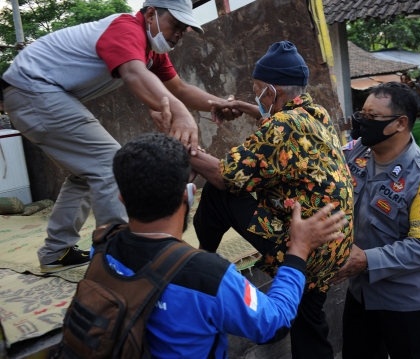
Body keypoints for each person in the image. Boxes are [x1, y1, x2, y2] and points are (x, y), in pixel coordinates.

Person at [0, 0, 240, 272]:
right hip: (32, 88)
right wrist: (182, 114)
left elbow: (180, 90)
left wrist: (217, 102)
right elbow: (133, 74)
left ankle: (57, 251)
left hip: (32, 92)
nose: (179, 33)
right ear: (151, 14)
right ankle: (121, 261)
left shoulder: (151, 52)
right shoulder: (126, 28)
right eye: (176, 24)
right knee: (108, 163)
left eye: (185, 29)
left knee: (85, 174)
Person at [100, 132, 347, 357]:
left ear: (121, 198)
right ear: (189, 195)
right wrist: (298, 251)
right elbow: (273, 324)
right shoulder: (208, 277)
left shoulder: (104, 245)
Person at [184, 41, 354, 359]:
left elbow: (224, 174)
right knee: (309, 316)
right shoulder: (316, 114)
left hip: (305, 247)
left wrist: (186, 150)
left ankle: (199, 264)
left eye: (257, 91)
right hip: (333, 244)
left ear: (272, 93)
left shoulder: (282, 126)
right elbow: (280, 130)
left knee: (219, 192)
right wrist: (250, 109)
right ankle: (287, 320)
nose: (256, 98)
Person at [328, 82, 420, 359]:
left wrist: (366, 260)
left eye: (372, 117)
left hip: (408, 300)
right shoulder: (357, 152)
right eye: (362, 113)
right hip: (361, 293)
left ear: (400, 123)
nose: (362, 121)